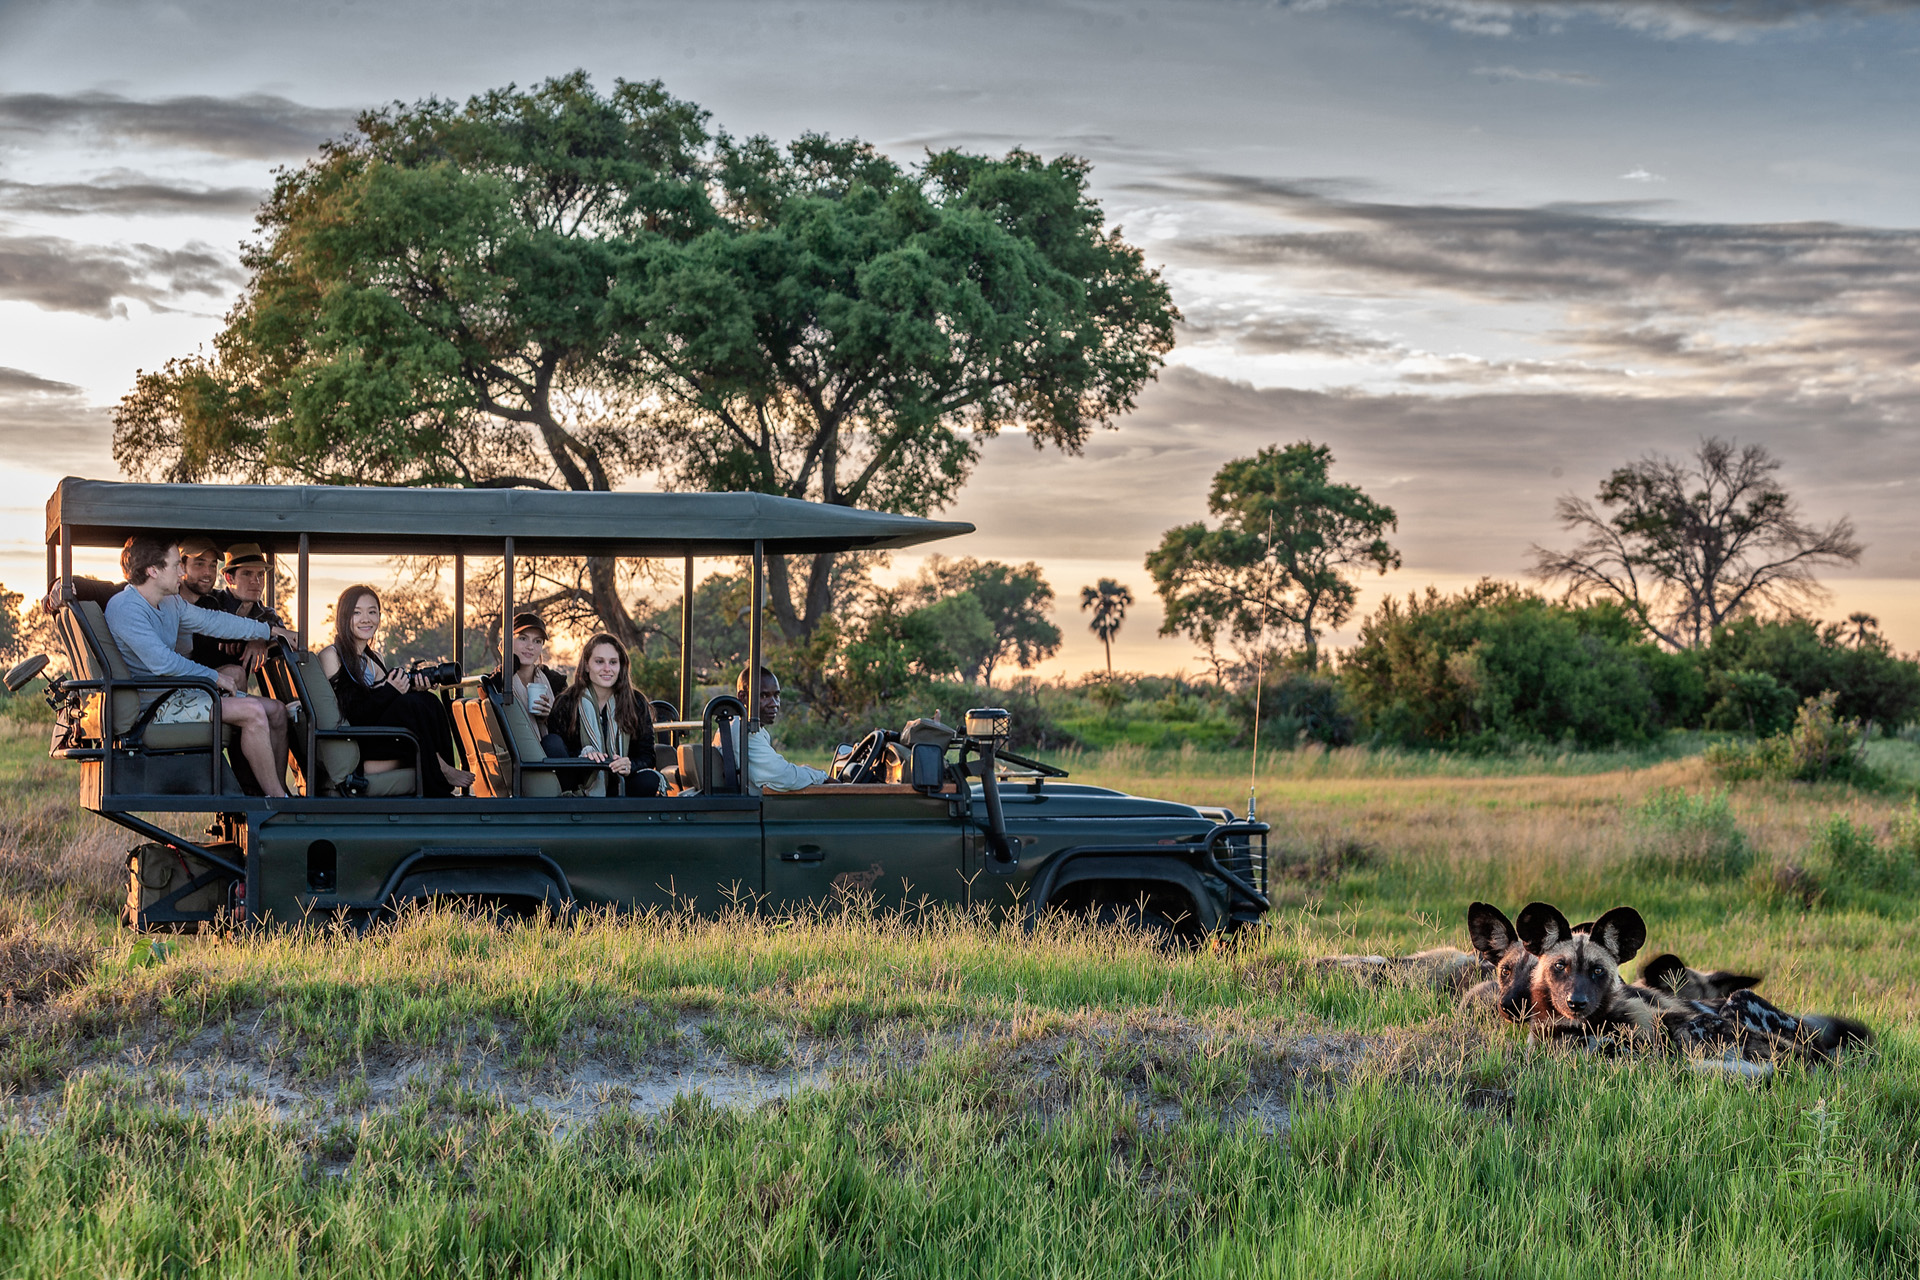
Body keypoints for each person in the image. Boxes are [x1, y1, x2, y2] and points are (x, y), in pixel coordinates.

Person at [102, 535, 296, 798]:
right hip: (154, 706)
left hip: (176, 693)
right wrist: (213, 676)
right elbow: (162, 662)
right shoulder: (126, 608)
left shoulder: (169, 602)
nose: (182, 571)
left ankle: (272, 790)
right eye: (175, 565)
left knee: (275, 710)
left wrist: (269, 630)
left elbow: (214, 621)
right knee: (252, 710)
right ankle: (278, 801)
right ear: (153, 571)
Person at [317, 584, 474, 797]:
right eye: (357, 612)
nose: (366, 619)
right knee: (410, 705)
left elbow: (383, 702)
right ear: (343, 617)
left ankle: (444, 770)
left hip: (384, 736)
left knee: (427, 700)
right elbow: (354, 713)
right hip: (358, 738)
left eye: (372, 612)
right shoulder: (332, 655)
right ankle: (441, 773)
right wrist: (392, 690)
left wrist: (411, 686)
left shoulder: (376, 659)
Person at [551, 633, 659, 796]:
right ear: (587, 665)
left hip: (621, 784)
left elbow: (647, 756)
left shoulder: (636, 702)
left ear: (621, 665)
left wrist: (629, 765)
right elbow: (558, 750)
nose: (607, 668)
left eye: (613, 662)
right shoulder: (567, 702)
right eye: (599, 662)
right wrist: (583, 755)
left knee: (650, 780)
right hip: (580, 783)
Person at [190, 541, 284, 678]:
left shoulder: (267, 615)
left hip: (236, 689)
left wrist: (262, 641)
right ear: (229, 578)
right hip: (201, 686)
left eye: (260, 575)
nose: (255, 581)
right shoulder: (210, 602)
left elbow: (286, 639)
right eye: (247, 574)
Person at [732, 665, 829, 793]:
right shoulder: (745, 732)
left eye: (776, 696)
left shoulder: (740, 726)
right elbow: (785, 777)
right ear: (743, 697)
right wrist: (823, 777)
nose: (774, 704)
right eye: (764, 696)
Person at [501, 612, 568, 759]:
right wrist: (510, 663)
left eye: (537, 641)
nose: (530, 646)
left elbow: (569, 733)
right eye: (523, 638)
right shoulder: (499, 681)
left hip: (552, 756)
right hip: (516, 758)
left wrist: (549, 716)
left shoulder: (554, 682)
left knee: (552, 742)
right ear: (507, 642)